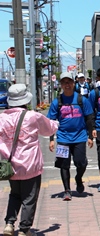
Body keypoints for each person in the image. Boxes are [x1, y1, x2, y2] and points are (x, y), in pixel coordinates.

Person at [1, 84, 58, 236]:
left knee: (15, 194)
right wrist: (57, 123)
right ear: (25, 100)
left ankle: (9, 224)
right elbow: (49, 129)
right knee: (29, 197)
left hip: (10, 165)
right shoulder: (32, 116)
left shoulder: (2, 118)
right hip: (30, 164)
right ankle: (24, 229)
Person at [47, 72, 95, 201]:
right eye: (64, 83)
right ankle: (67, 190)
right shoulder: (57, 102)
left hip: (80, 137)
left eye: (69, 82)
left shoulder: (81, 100)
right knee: (64, 165)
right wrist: (51, 139)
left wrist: (91, 136)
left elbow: (89, 118)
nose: (67, 85)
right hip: (63, 138)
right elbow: (51, 121)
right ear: (61, 85)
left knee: (81, 163)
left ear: (73, 83)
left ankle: (78, 178)